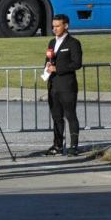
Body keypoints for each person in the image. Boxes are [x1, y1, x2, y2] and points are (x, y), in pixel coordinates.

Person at [46, 14, 83, 156]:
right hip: (53, 85)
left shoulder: (73, 43)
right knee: (56, 117)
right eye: (53, 26)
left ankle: (74, 146)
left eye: (57, 26)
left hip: (67, 86)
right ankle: (57, 145)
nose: (54, 29)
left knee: (70, 115)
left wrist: (58, 69)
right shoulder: (51, 42)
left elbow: (77, 63)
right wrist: (48, 66)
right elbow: (48, 59)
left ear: (65, 26)